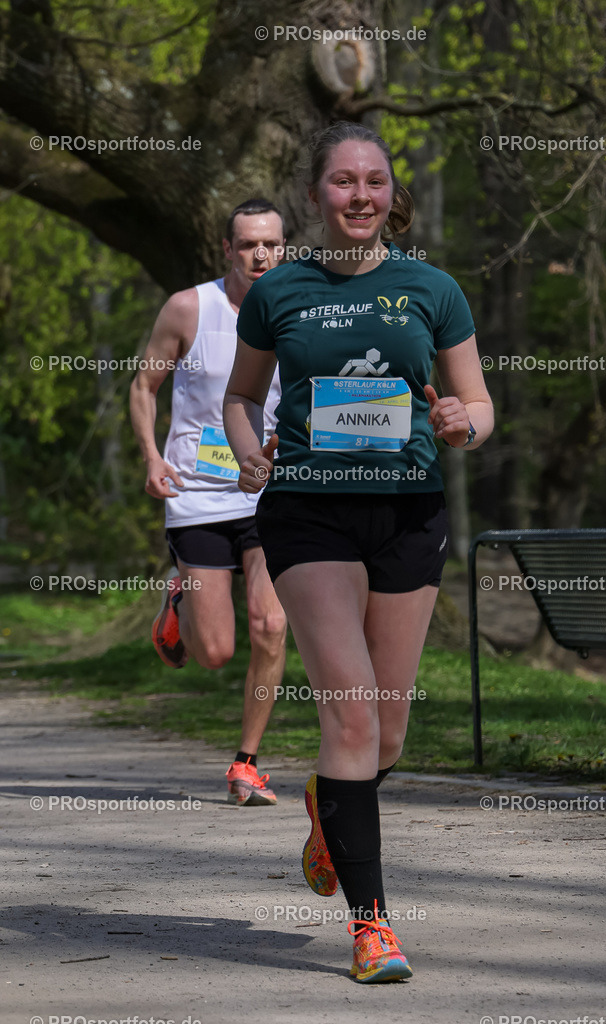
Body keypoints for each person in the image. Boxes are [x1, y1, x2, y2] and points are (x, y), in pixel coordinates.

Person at [223, 123, 494, 980]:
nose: (359, 197)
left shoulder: (432, 288)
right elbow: (240, 396)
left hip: (409, 514)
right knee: (349, 713)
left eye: (373, 182)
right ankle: (372, 929)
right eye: (342, 182)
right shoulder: (280, 290)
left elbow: (477, 403)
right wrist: (245, 447)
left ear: (390, 194)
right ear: (316, 196)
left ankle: (324, 801)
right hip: (308, 513)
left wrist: (463, 424)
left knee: (387, 732)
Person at [129, 198, 288, 807]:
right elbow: (145, 386)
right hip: (197, 496)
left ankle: (246, 763)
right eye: (248, 244)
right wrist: (152, 458)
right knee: (216, 653)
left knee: (271, 624)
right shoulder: (191, 308)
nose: (261, 255)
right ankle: (180, 602)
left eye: (271, 243)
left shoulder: (299, 311)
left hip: (268, 492)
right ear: (228, 249)